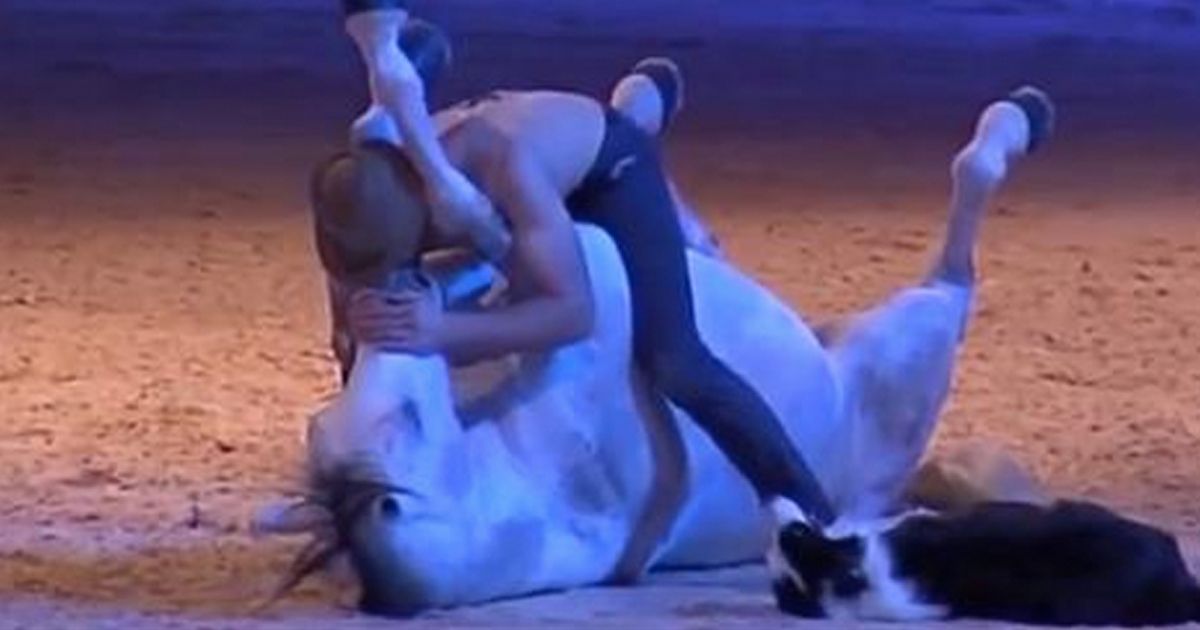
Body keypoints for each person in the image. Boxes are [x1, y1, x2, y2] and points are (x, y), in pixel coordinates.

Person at [312, 26, 837, 564]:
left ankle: (814, 511)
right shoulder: (358, 186)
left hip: (605, 173)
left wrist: (443, 331)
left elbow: (571, 312)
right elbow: (353, 304)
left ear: (425, 218)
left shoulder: (499, 164)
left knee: (675, 360)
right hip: (525, 172)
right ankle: (639, 105)